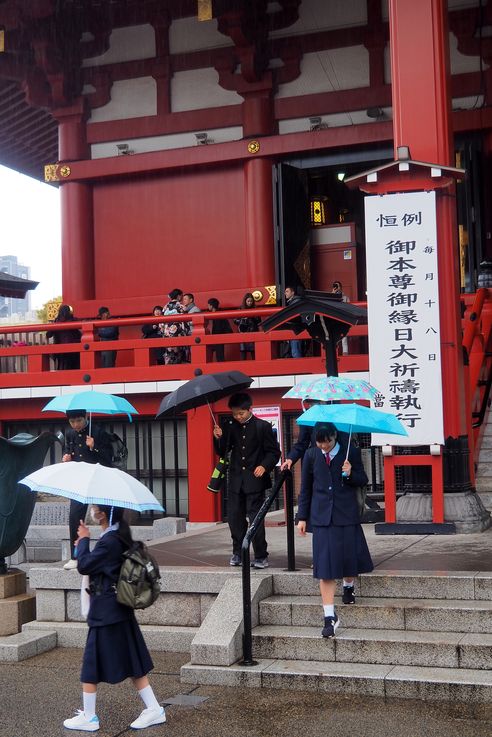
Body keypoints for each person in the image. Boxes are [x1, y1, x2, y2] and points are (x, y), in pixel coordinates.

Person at [63, 504, 165, 732]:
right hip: (117, 609)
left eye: (95, 508)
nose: (91, 511)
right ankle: (154, 708)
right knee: (133, 661)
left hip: (106, 612)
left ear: (104, 513)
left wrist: (84, 541)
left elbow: (85, 566)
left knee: (91, 663)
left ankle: (89, 717)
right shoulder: (117, 537)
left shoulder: (109, 541)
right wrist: (85, 543)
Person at [297, 423, 373, 638]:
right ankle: (330, 617)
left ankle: (348, 586)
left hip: (345, 513)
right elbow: (306, 488)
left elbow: (363, 480)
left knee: (349, 559)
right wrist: (302, 517)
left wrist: (349, 474)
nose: (324, 446)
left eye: (327, 441)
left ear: (335, 437)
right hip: (321, 517)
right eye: (319, 442)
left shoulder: (351, 452)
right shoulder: (312, 455)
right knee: (325, 568)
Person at [213, 392, 280, 568]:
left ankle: (260, 556)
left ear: (249, 409)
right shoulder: (230, 426)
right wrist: (218, 438)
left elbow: (274, 452)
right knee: (235, 519)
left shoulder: (262, 426)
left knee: (255, 519)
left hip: (255, 481)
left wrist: (264, 466)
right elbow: (222, 451)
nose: (238, 417)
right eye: (235, 414)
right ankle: (238, 553)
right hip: (235, 481)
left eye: (241, 413)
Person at [62, 410, 113, 571]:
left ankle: (110, 551)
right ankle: (75, 556)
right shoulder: (69, 434)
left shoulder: (98, 432)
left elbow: (109, 458)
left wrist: (94, 447)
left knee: (104, 515)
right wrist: (66, 458)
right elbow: (68, 451)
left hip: (98, 477)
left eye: (78, 421)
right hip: (80, 479)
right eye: (72, 421)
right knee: (75, 515)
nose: (76, 425)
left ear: (85, 418)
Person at [46, 304, 81, 371]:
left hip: (60, 350)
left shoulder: (56, 322)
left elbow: (48, 334)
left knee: (62, 367)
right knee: (75, 368)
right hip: (74, 349)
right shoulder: (73, 320)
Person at [163, 289, 188, 365]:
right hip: (177, 331)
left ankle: (169, 368)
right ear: (178, 296)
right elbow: (185, 317)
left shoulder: (165, 307)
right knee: (178, 351)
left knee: (169, 350)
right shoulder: (180, 306)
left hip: (167, 331)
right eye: (181, 295)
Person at [234, 292, 260, 361]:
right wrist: (242, 320)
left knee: (254, 352)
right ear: (245, 301)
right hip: (243, 332)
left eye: (251, 301)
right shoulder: (240, 310)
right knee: (243, 352)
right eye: (248, 301)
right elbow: (235, 321)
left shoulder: (255, 310)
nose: (249, 303)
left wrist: (253, 317)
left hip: (253, 332)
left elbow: (259, 321)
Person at [207, 297, 232, 362]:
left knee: (219, 356)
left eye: (208, 305)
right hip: (216, 337)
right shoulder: (218, 314)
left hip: (217, 337)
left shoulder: (217, 315)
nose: (208, 306)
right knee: (218, 355)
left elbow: (218, 328)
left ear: (211, 306)